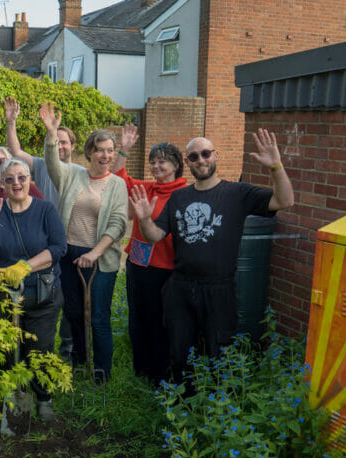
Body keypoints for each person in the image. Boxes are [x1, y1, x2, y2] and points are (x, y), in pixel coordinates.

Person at [129, 129, 294, 383]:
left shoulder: (237, 193)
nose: (201, 160)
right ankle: (182, 402)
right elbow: (154, 236)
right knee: (179, 351)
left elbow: (284, 200)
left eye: (206, 154)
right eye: (194, 157)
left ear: (216, 155)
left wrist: (276, 167)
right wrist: (143, 219)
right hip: (181, 286)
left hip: (219, 289)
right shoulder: (178, 197)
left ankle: (219, 405)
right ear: (187, 163)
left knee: (221, 351)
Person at [41, 102, 128, 380]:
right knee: (75, 313)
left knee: (99, 317)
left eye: (110, 150)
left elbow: (117, 223)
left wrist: (95, 253)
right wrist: (52, 134)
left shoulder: (117, 184)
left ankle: (102, 372)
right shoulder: (72, 174)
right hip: (69, 255)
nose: (106, 155)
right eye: (100, 149)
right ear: (89, 152)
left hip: (100, 259)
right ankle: (80, 363)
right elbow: (52, 163)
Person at [0, 159, 67, 421]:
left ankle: (44, 397)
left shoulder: (45, 209)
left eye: (21, 177)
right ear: (2, 183)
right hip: (2, 295)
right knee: (6, 347)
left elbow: (59, 248)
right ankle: (10, 395)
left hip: (42, 293)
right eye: (9, 179)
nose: (16, 183)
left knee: (41, 348)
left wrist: (26, 266)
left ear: (30, 179)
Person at [4, 96, 85, 361]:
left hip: (73, 241)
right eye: (55, 141)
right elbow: (15, 152)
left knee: (72, 298)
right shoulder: (39, 165)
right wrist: (11, 122)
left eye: (64, 142)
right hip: (46, 240)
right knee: (52, 293)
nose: (60, 145)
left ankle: (68, 345)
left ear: (72, 146)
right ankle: (40, 345)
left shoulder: (81, 172)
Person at [109, 127, 188, 383]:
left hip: (165, 270)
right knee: (138, 317)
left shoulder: (185, 195)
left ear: (176, 164)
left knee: (159, 322)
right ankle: (140, 369)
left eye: (161, 161)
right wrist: (124, 149)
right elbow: (118, 178)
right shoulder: (148, 188)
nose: (155, 166)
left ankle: (160, 373)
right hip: (137, 264)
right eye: (152, 162)